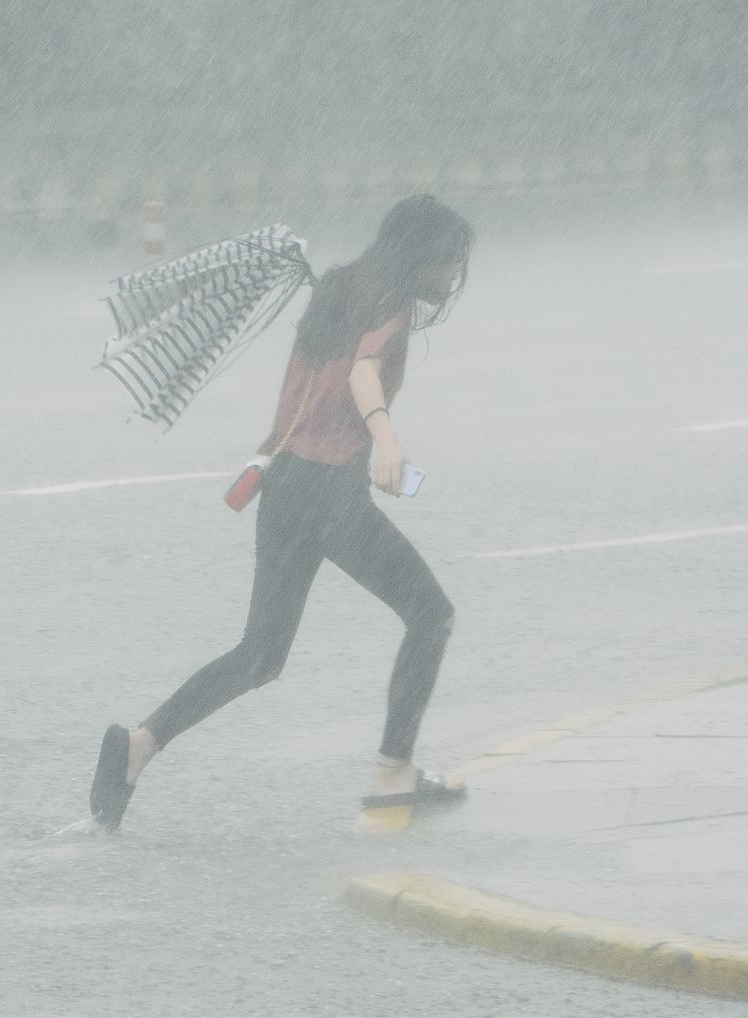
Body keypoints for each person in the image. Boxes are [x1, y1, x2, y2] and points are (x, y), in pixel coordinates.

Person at [89, 195, 475, 831]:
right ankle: (393, 773)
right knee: (432, 615)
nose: (457, 270)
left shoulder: (338, 287)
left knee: (260, 655)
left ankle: (139, 746)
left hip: (284, 486)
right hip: (329, 492)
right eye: (452, 257)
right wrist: (385, 436)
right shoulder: (391, 303)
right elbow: (363, 372)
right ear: (424, 255)